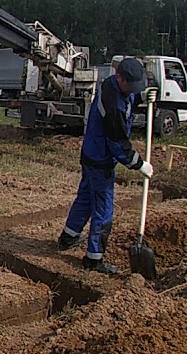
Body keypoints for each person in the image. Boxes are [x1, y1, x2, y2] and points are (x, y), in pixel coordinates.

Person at [58, 57, 154, 275]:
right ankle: (94, 258)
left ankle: (68, 237)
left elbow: (129, 99)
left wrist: (141, 96)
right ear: (120, 77)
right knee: (103, 210)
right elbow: (118, 144)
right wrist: (139, 164)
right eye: (132, 87)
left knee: (85, 198)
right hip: (101, 160)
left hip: (91, 153)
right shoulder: (113, 106)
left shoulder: (111, 84)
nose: (132, 91)